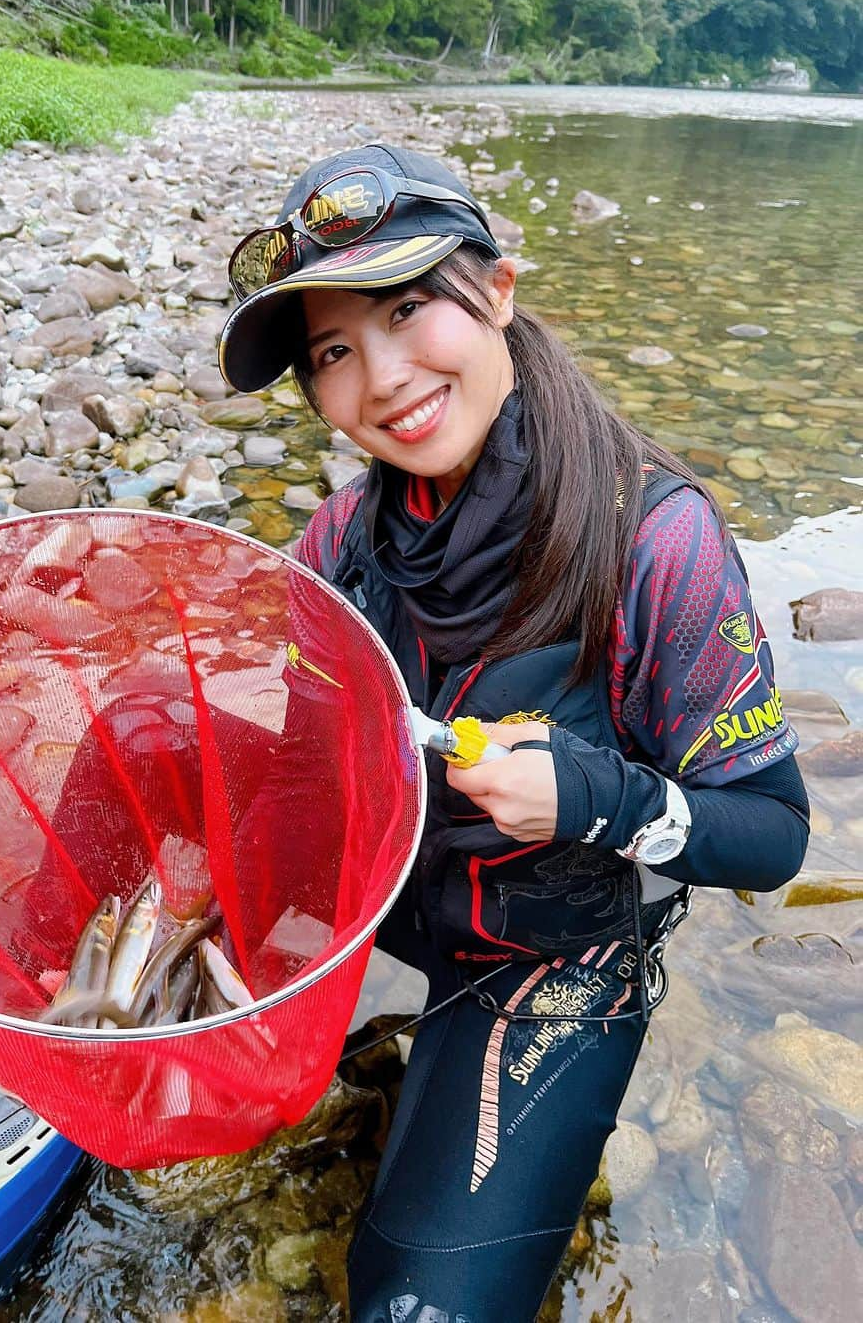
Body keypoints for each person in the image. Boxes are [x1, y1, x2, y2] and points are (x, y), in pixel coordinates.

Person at [217, 145, 809, 1323]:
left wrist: (607, 799)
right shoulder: (336, 546)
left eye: (404, 310)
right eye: (333, 352)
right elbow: (284, 779)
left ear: (497, 289)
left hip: (556, 955)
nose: (381, 379)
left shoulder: (656, 541)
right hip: (394, 910)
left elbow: (779, 837)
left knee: (411, 1309)